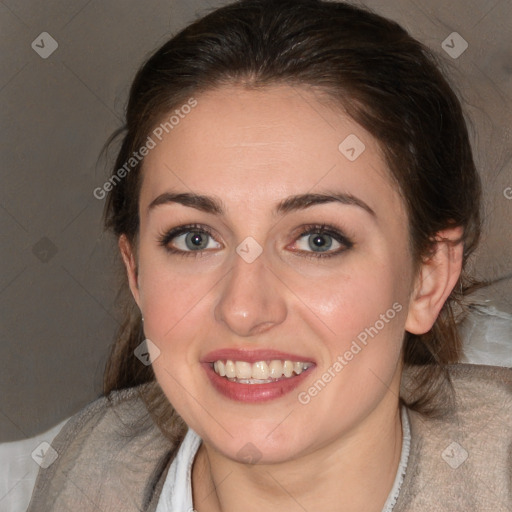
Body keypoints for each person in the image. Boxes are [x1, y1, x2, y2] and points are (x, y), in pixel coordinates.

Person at [27, 0, 512, 510]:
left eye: (318, 240)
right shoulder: (89, 467)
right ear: (136, 271)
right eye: (195, 238)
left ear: (427, 278)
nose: (243, 309)